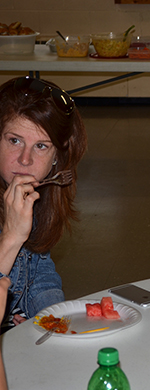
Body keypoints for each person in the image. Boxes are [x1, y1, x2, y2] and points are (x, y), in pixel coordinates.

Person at [0, 76, 87, 329]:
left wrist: (52, 321)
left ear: (56, 158)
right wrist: (11, 237)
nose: (25, 159)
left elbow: (40, 276)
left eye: (40, 146)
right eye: (14, 140)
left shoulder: (33, 195)